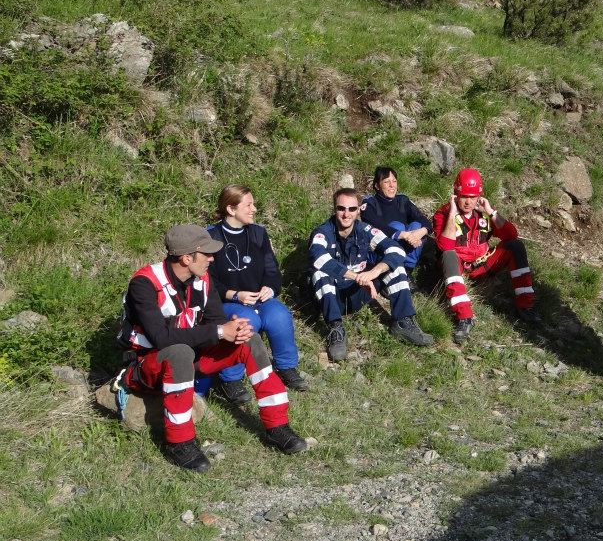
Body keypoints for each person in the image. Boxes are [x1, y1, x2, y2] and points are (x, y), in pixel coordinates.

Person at [115, 224, 308, 472]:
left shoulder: (202, 279)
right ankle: (179, 442)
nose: (212, 258)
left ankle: (277, 427)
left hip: (192, 360)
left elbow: (216, 321)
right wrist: (219, 331)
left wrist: (234, 329)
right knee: (179, 352)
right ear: (186, 258)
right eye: (206, 253)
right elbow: (161, 337)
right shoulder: (144, 283)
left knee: (249, 340)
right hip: (148, 366)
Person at [204, 185, 307, 404]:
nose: (254, 209)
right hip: (228, 301)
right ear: (231, 209)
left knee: (279, 314)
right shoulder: (211, 238)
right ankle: (230, 379)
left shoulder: (258, 233)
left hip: (260, 299)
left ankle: (286, 367)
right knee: (246, 321)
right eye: (248, 205)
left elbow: (272, 269)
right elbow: (207, 281)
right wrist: (234, 295)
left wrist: (270, 287)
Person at [309, 188, 434, 361]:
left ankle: (402, 322)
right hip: (334, 296)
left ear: (359, 209)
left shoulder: (365, 230)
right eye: (341, 209)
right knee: (319, 273)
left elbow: (396, 250)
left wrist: (373, 272)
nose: (346, 214)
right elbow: (318, 258)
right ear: (334, 209)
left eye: (352, 209)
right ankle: (335, 328)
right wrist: (357, 276)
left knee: (394, 267)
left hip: (359, 292)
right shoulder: (322, 232)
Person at [432, 168, 537, 345]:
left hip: (483, 266)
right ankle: (464, 317)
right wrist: (452, 214)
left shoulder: (483, 213)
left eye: (472, 197)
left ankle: (525, 305)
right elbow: (445, 246)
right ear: (456, 193)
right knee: (449, 255)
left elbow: (511, 235)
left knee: (515, 246)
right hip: (459, 270)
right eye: (464, 196)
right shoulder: (443, 214)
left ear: (479, 196)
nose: (468, 202)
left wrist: (490, 211)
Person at [360, 166, 432, 272]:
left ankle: (408, 269)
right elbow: (375, 225)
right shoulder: (370, 203)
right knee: (397, 226)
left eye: (394, 181)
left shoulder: (402, 200)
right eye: (386, 182)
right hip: (380, 249)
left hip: (408, 243)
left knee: (417, 225)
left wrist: (420, 232)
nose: (392, 185)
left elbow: (423, 220)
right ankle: (396, 267)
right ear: (377, 185)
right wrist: (402, 234)